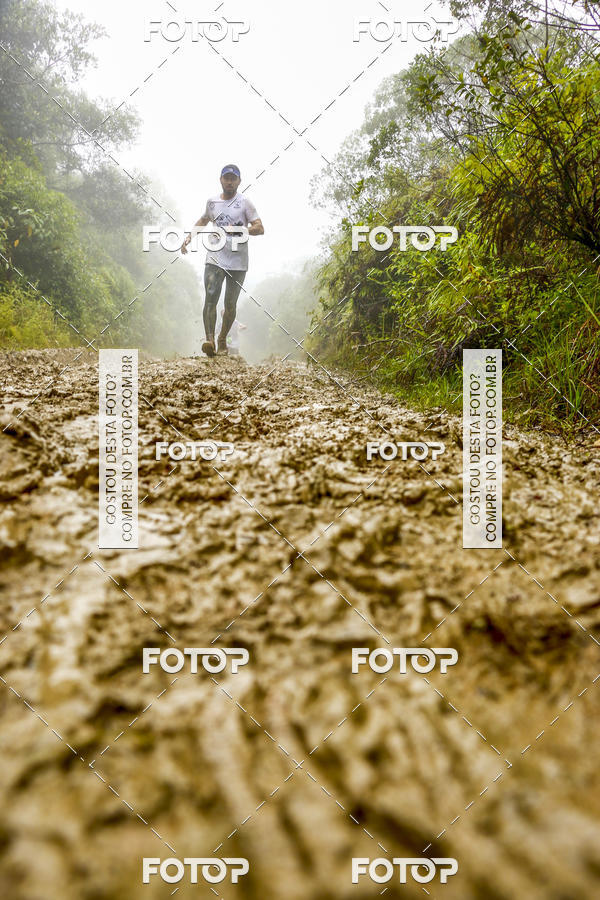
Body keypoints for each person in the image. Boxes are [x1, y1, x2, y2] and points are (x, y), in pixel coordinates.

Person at [181, 164, 264, 357]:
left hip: (238, 261)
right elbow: (203, 220)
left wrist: (241, 230)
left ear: (239, 182)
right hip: (215, 257)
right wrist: (189, 237)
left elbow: (260, 228)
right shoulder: (212, 202)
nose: (229, 182)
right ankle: (209, 340)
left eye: (233, 178)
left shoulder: (245, 203)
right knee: (211, 298)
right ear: (220, 180)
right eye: (226, 178)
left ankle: (222, 339)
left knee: (230, 305)